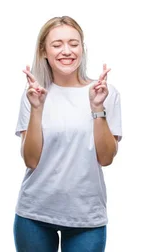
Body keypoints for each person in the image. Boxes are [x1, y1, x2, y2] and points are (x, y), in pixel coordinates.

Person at [13, 16, 122, 252]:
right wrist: (37, 108)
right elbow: (31, 160)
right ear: (44, 51)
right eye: (57, 44)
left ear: (82, 47)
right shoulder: (33, 94)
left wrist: (97, 108)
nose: (67, 51)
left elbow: (106, 158)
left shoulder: (105, 93)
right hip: (34, 214)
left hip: (86, 216)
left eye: (74, 43)